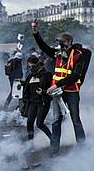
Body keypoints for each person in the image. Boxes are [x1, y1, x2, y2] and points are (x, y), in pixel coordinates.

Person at [32, 21, 90, 156]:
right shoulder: (58, 53)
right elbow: (43, 47)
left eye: (61, 42)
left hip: (71, 92)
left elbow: (75, 76)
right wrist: (35, 32)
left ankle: (83, 149)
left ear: (68, 41)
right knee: (56, 120)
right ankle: (54, 149)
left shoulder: (78, 55)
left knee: (75, 120)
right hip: (57, 92)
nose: (59, 44)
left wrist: (56, 85)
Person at [21, 55, 53, 143]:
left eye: (32, 66)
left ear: (37, 65)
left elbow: (51, 89)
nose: (30, 68)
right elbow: (28, 86)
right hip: (32, 102)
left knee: (40, 124)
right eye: (29, 66)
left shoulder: (46, 75)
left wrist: (43, 92)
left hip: (42, 102)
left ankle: (53, 139)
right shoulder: (31, 75)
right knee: (29, 122)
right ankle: (30, 143)